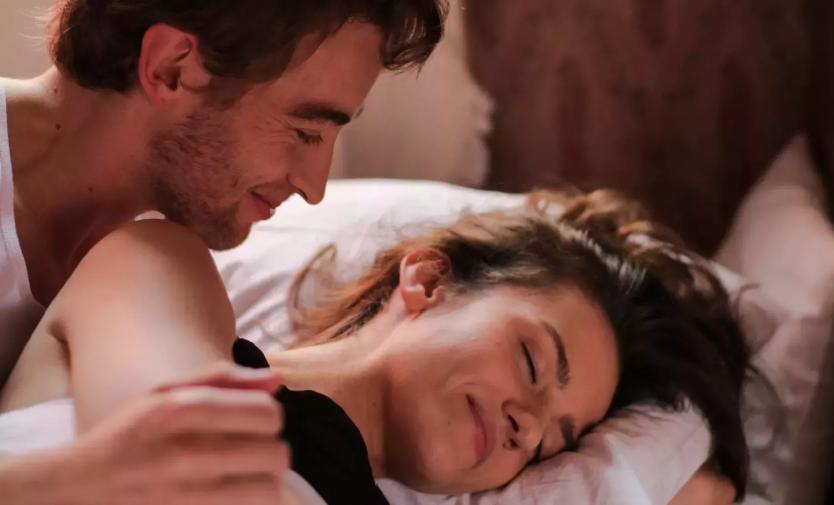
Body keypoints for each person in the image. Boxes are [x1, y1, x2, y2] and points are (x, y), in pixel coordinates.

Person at [0, 189, 750, 503]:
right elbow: (168, 476)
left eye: (555, 442)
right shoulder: (161, 269)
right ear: (428, 280)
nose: (527, 428)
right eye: (531, 361)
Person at [0, 1, 446, 503]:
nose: (314, 186)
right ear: (171, 68)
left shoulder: (155, 269)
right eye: (305, 132)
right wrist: (66, 479)